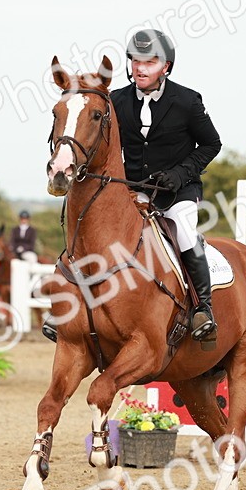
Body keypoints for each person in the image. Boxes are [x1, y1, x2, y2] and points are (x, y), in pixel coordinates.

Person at [42, 29, 223, 343]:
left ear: (165, 66)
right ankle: (68, 306)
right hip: (133, 188)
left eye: (150, 61)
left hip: (177, 193)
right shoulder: (117, 100)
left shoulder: (187, 101)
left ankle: (201, 308)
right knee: (93, 229)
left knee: (183, 232)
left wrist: (180, 175)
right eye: (136, 61)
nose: (141, 68)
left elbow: (211, 144)